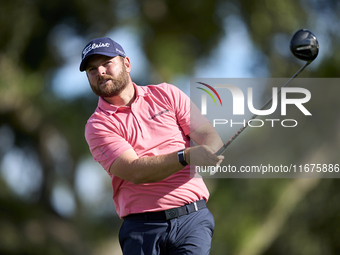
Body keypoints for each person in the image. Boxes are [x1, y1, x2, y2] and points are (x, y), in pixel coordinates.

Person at [80, 37, 224, 255]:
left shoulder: (167, 94)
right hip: (142, 229)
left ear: (127, 64)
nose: (100, 71)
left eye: (107, 63)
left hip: (191, 220)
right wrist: (186, 156)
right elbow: (135, 171)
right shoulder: (98, 125)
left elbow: (208, 135)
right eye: (92, 69)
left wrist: (210, 150)